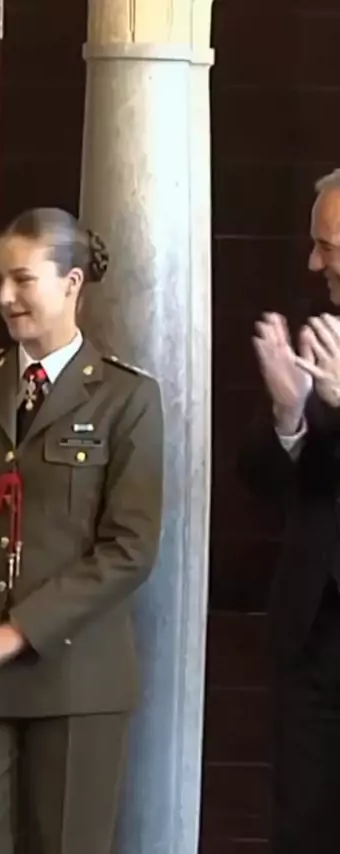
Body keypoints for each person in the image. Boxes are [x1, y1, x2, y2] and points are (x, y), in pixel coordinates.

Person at [0, 208, 164, 854]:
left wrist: (17, 632)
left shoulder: (126, 399)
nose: (4, 297)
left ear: (72, 283)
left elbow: (130, 549)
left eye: (22, 279)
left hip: (76, 677)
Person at [239, 169, 340, 854]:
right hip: (315, 633)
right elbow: (260, 479)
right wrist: (287, 416)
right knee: (303, 825)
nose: (313, 262)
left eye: (327, 246)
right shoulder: (315, 329)